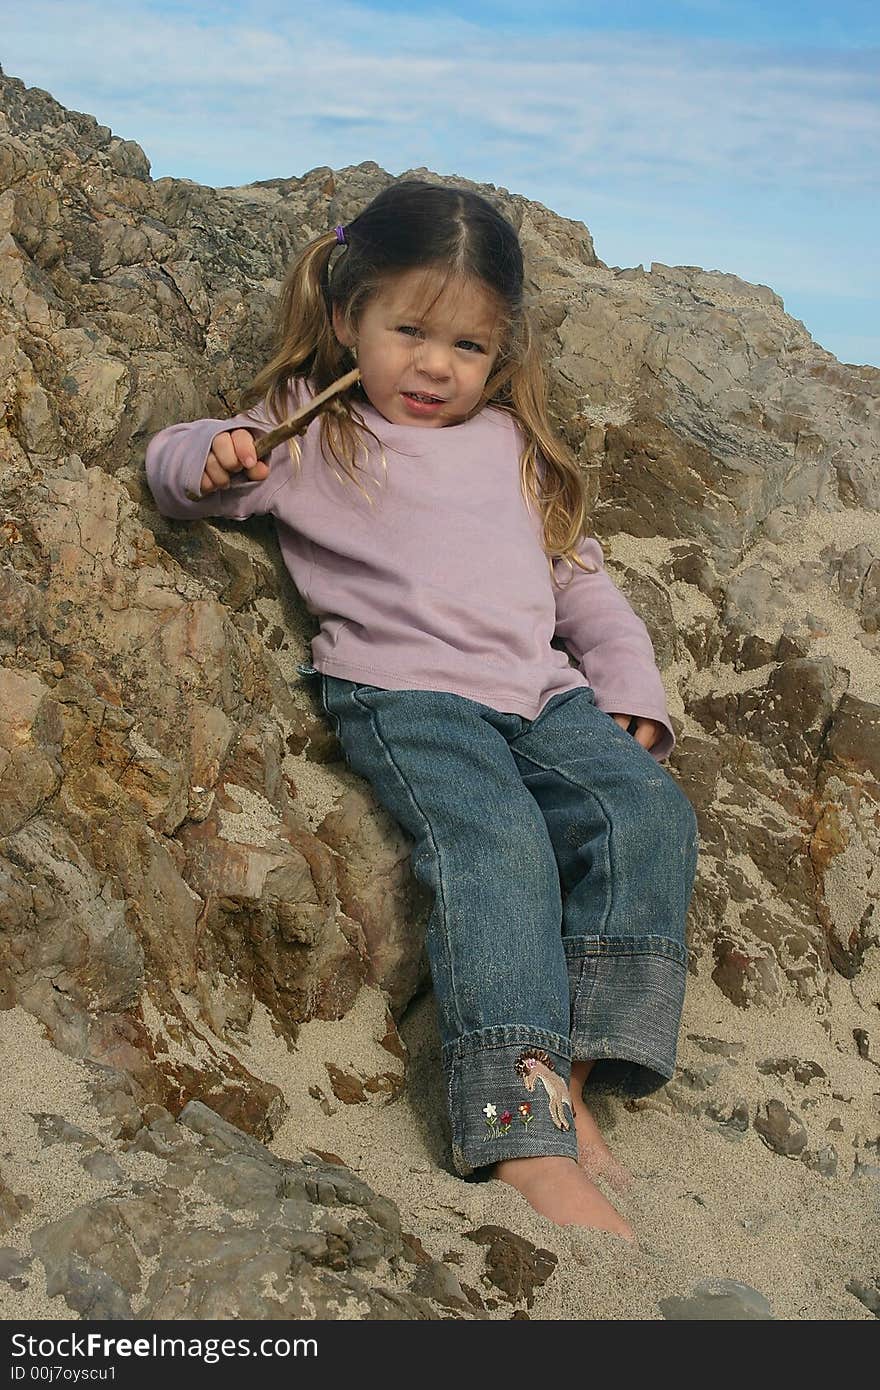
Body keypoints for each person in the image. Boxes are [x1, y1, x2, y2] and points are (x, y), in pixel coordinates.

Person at [145, 179, 699, 1242]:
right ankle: (518, 1131)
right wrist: (211, 456)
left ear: (502, 355)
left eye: (469, 347)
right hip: (408, 693)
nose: (437, 366)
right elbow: (180, 470)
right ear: (349, 313)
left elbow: (578, 582)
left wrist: (630, 687)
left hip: (541, 692)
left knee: (646, 814)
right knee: (498, 848)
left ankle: (567, 1075)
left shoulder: (512, 447)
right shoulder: (314, 432)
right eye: (409, 332)